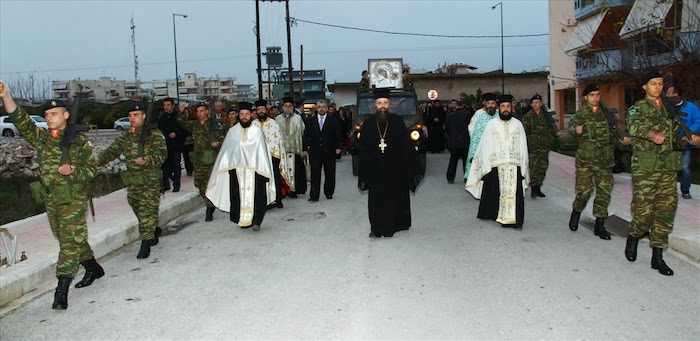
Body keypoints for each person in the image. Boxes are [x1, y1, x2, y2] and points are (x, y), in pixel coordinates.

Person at [0, 81, 104, 310]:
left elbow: (92, 169)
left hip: (73, 199)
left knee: (68, 242)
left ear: (66, 115)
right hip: (52, 199)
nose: (49, 118)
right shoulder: (43, 138)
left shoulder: (79, 142)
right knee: (69, 237)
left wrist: (74, 171)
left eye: (54, 113)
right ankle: (94, 267)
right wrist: (6, 96)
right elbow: (20, 119)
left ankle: (61, 291)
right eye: (46, 114)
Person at [625, 71, 700, 276]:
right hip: (646, 169)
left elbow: (674, 139)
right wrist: (651, 135)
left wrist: (687, 140)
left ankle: (657, 256)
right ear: (644, 87)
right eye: (653, 83)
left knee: (665, 212)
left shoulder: (670, 109)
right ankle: (634, 234)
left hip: (668, 168)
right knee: (644, 212)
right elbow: (634, 127)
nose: (657, 87)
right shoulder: (637, 109)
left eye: (660, 83)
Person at [96, 102, 167, 258]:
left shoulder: (154, 134)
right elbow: (112, 150)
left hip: (149, 181)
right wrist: (96, 161)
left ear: (144, 116)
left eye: (136, 115)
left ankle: (146, 243)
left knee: (147, 210)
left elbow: (162, 154)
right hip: (133, 181)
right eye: (130, 116)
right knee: (137, 207)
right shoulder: (127, 135)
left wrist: (147, 160)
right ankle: (153, 229)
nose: (132, 118)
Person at [567, 84, 632, 240]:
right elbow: (570, 133)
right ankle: (576, 212)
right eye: (592, 95)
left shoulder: (607, 114)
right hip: (586, 161)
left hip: (604, 161)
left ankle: (600, 225)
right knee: (584, 192)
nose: (595, 98)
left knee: (604, 193)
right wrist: (576, 131)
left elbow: (615, 134)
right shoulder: (581, 114)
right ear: (585, 98)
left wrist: (622, 140)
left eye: (597, 94)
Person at [358, 88, 419, 238]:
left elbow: (406, 146)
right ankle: (377, 228)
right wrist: (368, 165)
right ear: (374, 105)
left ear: (389, 104)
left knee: (395, 198)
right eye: (380, 103)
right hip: (376, 170)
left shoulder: (398, 122)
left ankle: (395, 225)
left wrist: (407, 166)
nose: (383, 106)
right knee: (377, 201)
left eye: (385, 103)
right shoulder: (368, 124)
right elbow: (363, 149)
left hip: (395, 169)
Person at [206, 102, 275, 231]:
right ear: (239, 115)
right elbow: (227, 151)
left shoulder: (257, 131)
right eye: (242, 114)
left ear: (251, 115)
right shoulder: (232, 132)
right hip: (238, 171)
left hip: (255, 170)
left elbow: (262, 152)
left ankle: (256, 221)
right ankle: (243, 219)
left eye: (247, 114)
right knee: (237, 196)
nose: (244, 117)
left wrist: (261, 169)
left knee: (258, 196)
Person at [465, 94, 529, 229]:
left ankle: (515, 220)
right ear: (499, 108)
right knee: (495, 191)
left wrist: (524, 166)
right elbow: (485, 145)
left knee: (515, 194)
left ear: (512, 108)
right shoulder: (491, 125)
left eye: (508, 106)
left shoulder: (518, 125)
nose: (505, 109)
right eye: (503, 106)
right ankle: (495, 215)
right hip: (496, 164)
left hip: (514, 164)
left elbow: (523, 146)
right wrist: (483, 162)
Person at [177, 101, 224, 221]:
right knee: (199, 184)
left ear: (207, 111)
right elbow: (182, 123)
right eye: (197, 111)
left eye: (202, 111)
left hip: (211, 160)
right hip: (198, 160)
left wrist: (217, 144)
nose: (199, 113)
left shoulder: (214, 125)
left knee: (209, 184)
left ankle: (209, 207)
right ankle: (210, 202)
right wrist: (181, 112)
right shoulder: (195, 125)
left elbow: (223, 139)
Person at [522, 94, 561, 198]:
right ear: (531, 104)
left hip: (544, 146)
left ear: (541, 103)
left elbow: (552, 128)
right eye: (534, 102)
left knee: (543, 167)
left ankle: (539, 187)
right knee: (534, 167)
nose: (536, 104)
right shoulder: (528, 116)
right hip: (533, 146)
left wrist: (555, 134)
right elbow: (524, 131)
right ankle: (534, 189)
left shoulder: (546, 116)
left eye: (537, 102)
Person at [303, 100, 343, 201]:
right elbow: (306, 136)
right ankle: (314, 195)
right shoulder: (310, 121)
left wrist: (339, 147)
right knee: (315, 174)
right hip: (315, 151)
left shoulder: (333, 120)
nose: (321, 109)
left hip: (329, 151)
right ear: (316, 108)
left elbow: (338, 134)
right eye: (319, 107)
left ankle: (329, 192)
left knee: (330, 173)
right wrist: (304, 148)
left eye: (323, 107)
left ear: (326, 108)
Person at [666, 85, 700, 199]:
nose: (667, 95)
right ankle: (668, 191)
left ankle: (685, 190)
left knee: (685, 167)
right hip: (669, 141)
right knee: (668, 167)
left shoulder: (690, 107)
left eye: (669, 93)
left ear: (676, 95)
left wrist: (689, 133)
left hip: (685, 141)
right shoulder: (666, 107)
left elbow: (697, 121)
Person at [253, 99, 287, 208]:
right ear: (256, 111)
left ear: (266, 110)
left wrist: (277, 154)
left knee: (275, 179)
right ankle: (264, 201)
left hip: (273, 156)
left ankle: (278, 199)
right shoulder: (253, 125)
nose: (261, 111)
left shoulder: (273, 123)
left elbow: (278, 140)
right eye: (259, 109)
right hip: (258, 158)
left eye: (263, 109)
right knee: (261, 180)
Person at [276, 97, 307, 197]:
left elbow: (302, 132)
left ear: (293, 107)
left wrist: (302, 149)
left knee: (296, 171)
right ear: (282, 107)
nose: (288, 108)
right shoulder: (277, 119)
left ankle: (295, 190)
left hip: (295, 150)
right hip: (282, 151)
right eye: (286, 106)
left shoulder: (298, 118)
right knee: (283, 171)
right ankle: (284, 191)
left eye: (290, 106)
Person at [464, 93, 499, 181]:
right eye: (488, 103)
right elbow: (472, 128)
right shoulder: (479, 114)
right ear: (485, 104)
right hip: (482, 146)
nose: (490, 105)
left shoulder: (499, 114)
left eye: (493, 103)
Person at [158, 97, 185, 192]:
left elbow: (184, 129)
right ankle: (166, 184)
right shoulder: (161, 117)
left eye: (168, 105)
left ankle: (176, 185)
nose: (166, 107)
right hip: (165, 146)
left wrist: (176, 133)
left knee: (176, 166)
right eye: (164, 105)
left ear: (173, 106)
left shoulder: (178, 116)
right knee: (165, 167)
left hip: (176, 146)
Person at [445, 99, 471, 184]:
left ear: (455, 105)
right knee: (465, 161)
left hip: (454, 141)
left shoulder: (450, 115)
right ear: (462, 105)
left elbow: (447, 128)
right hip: (464, 141)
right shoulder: (467, 115)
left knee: (453, 160)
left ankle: (450, 177)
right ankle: (466, 177)